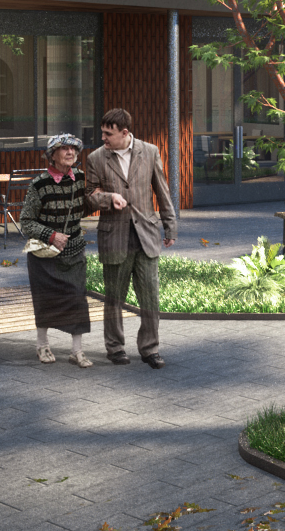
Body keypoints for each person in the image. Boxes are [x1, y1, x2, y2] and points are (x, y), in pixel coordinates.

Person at [91, 108, 179, 369]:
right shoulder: (96, 158)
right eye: (103, 133)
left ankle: (150, 349)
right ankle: (115, 348)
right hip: (114, 235)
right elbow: (89, 194)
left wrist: (170, 227)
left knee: (150, 297)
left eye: (109, 134)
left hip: (146, 235)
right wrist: (108, 198)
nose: (104, 138)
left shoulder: (150, 151)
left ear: (125, 133)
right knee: (114, 297)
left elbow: (162, 191)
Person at [21, 133, 100, 367]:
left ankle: (77, 351)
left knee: (77, 299)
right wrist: (52, 235)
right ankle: (42, 346)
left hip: (74, 251)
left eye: (74, 149)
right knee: (46, 299)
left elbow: (83, 209)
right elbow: (26, 221)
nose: (70, 153)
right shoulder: (39, 185)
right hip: (44, 254)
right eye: (64, 148)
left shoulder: (82, 180)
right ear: (52, 155)